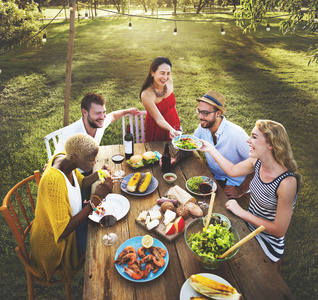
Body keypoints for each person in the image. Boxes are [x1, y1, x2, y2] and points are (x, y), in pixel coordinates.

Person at [199, 120, 302, 264]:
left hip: (267, 242)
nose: (248, 140)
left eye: (254, 137)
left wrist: (241, 212)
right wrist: (210, 149)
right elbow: (232, 170)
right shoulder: (257, 162)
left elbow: (279, 230)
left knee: (220, 261)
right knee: (206, 240)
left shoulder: (287, 182)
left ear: (270, 144)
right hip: (247, 226)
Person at [30, 133, 114, 282]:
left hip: (74, 224)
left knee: (110, 226)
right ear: (75, 157)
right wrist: (96, 200)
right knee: (104, 242)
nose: (94, 162)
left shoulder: (65, 159)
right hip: (59, 244)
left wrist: (99, 174)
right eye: (90, 160)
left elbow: (80, 183)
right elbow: (63, 231)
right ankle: (102, 282)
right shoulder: (53, 181)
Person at [171, 90, 253, 200]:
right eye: (199, 111)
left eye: (205, 113)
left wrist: (241, 190)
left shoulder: (237, 134)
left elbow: (257, 165)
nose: (200, 116)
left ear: (218, 113)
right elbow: (191, 146)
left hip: (236, 185)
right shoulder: (203, 127)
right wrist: (175, 159)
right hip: (213, 179)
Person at [54, 93, 140, 154]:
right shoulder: (71, 133)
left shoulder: (98, 123)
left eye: (104, 112)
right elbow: (57, 158)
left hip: (93, 168)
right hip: (76, 176)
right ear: (84, 112)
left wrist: (128, 111)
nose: (102, 117)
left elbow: (113, 116)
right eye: (98, 113)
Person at [140, 56, 180, 142]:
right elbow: (159, 119)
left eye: (168, 73)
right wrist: (171, 129)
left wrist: (176, 124)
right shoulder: (146, 94)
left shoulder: (169, 82)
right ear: (152, 72)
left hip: (173, 120)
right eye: (162, 73)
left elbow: (173, 106)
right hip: (157, 127)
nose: (165, 77)